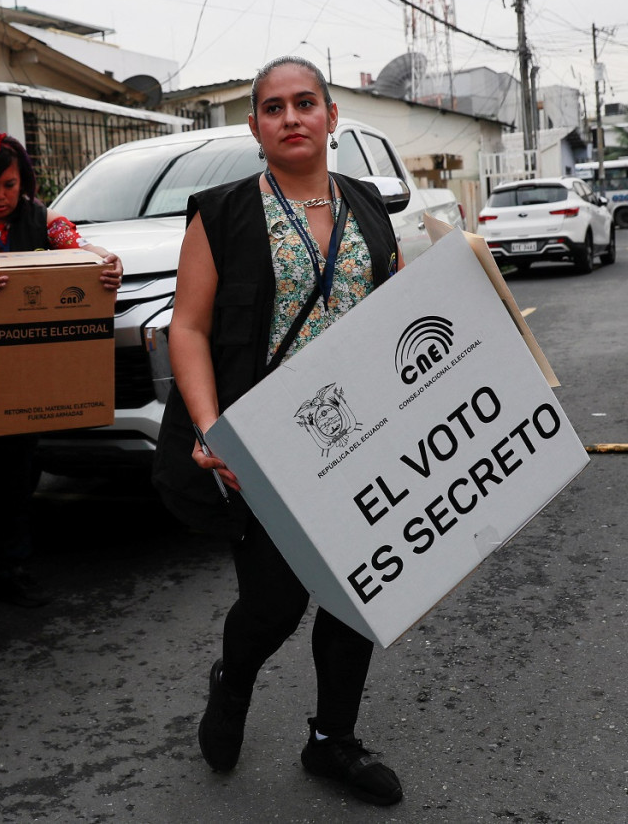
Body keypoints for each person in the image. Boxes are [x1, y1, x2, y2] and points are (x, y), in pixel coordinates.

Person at [157, 57, 405, 805]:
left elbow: (393, 319)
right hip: (264, 443)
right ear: (255, 126)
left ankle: (332, 740)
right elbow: (189, 327)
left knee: (357, 596)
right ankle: (233, 681)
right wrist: (210, 426)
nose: (291, 117)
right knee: (273, 602)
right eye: (274, 107)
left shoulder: (367, 205)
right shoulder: (222, 211)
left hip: (359, 438)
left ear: (332, 116)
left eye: (305, 103)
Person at [0, 132, 122, 634]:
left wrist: (105, 262)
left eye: (9, 184)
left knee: (16, 469)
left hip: (18, 372)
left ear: (23, 182)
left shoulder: (42, 218)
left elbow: (76, 246)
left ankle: (14, 571)